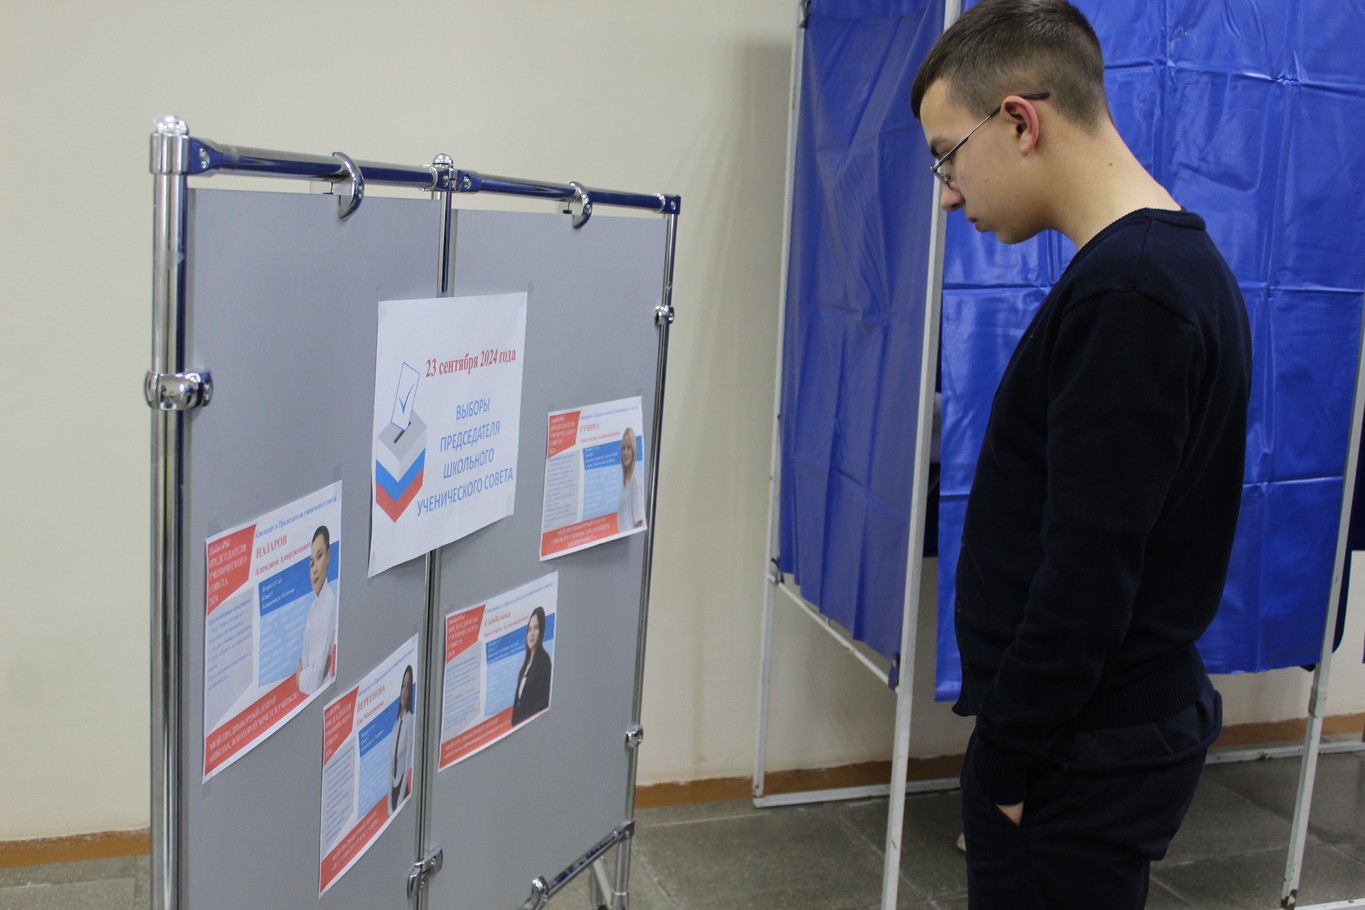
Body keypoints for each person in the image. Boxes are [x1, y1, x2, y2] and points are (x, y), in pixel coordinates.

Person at [909, 2, 1251, 906]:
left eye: (947, 155)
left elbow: (1088, 574)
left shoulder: (1131, 294)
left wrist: (1005, 761)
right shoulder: (1155, 271)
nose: (948, 193)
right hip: (1088, 736)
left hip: (1075, 750)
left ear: (1020, 121)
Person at [297, 525, 338, 695]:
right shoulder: (312, 610)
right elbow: (305, 661)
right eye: (311, 562)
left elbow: (314, 680)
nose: (314, 569)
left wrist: (300, 677)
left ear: (328, 556)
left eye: (319, 556)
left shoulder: (330, 604)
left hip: (325, 695)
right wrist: (308, 672)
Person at [511, 607, 552, 725]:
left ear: (542, 630)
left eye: (536, 628)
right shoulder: (526, 664)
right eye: (529, 629)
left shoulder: (544, 662)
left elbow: (541, 704)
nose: (532, 634)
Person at [390, 665, 415, 812]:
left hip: (402, 792)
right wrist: (389, 806)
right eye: (403, 686)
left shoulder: (409, 720)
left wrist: (399, 801)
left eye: (408, 687)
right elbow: (390, 767)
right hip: (393, 793)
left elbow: (407, 764)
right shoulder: (395, 725)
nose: (404, 691)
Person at [617, 427, 645, 533]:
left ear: (634, 450)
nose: (625, 452)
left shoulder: (635, 479)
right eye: (623, 448)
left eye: (629, 448)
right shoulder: (626, 478)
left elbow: (638, 522)